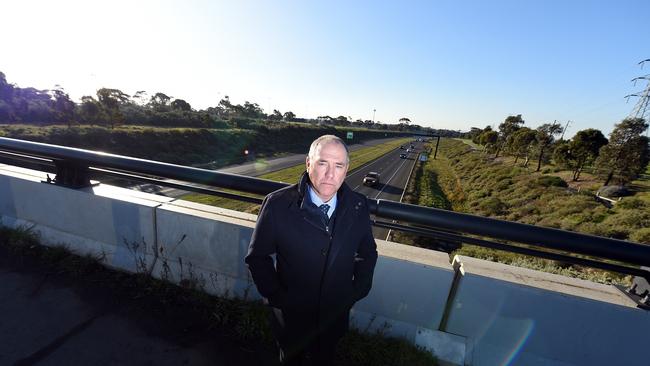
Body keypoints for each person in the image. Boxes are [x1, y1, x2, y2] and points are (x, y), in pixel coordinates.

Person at [245, 135, 378, 365]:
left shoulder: (358, 205)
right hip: (290, 318)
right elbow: (258, 257)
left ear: (346, 169)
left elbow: (367, 252)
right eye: (322, 163)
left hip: (333, 317)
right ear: (308, 163)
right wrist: (278, 296)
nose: (330, 174)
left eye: (338, 166)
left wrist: (355, 292)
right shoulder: (277, 204)